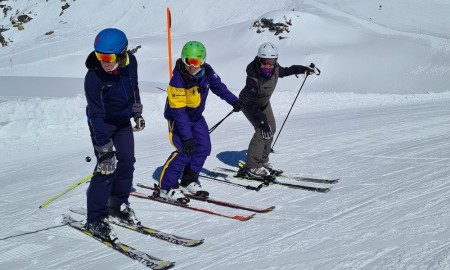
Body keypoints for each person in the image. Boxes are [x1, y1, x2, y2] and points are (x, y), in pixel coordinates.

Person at [158, 41, 241, 203]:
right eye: (187, 60)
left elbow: (218, 87)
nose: (191, 65)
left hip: (196, 118)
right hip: (178, 119)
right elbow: (179, 112)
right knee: (184, 150)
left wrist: (233, 101)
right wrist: (187, 138)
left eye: (195, 62)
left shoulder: (208, 72)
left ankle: (188, 180)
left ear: (202, 61)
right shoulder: (177, 80)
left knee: (203, 148)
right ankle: (166, 187)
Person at [84, 28, 145, 240]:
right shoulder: (93, 78)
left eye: (108, 57)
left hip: (122, 121)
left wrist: (136, 112)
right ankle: (95, 219)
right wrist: (104, 149)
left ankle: (117, 203)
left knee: (127, 161)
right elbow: (96, 115)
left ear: (122, 54)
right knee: (106, 168)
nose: (104, 61)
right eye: (100, 56)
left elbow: (134, 87)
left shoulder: (132, 63)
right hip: (102, 124)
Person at [237, 42, 319, 179]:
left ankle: (262, 161)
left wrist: (304, 69)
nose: (268, 66)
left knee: (271, 129)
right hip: (249, 104)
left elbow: (287, 70)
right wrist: (262, 120)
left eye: (272, 62)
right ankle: (251, 166)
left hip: (263, 103)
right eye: (265, 62)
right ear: (259, 60)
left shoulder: (275, 68)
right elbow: (251, 102)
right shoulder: (253, 76)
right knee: (261, 130)